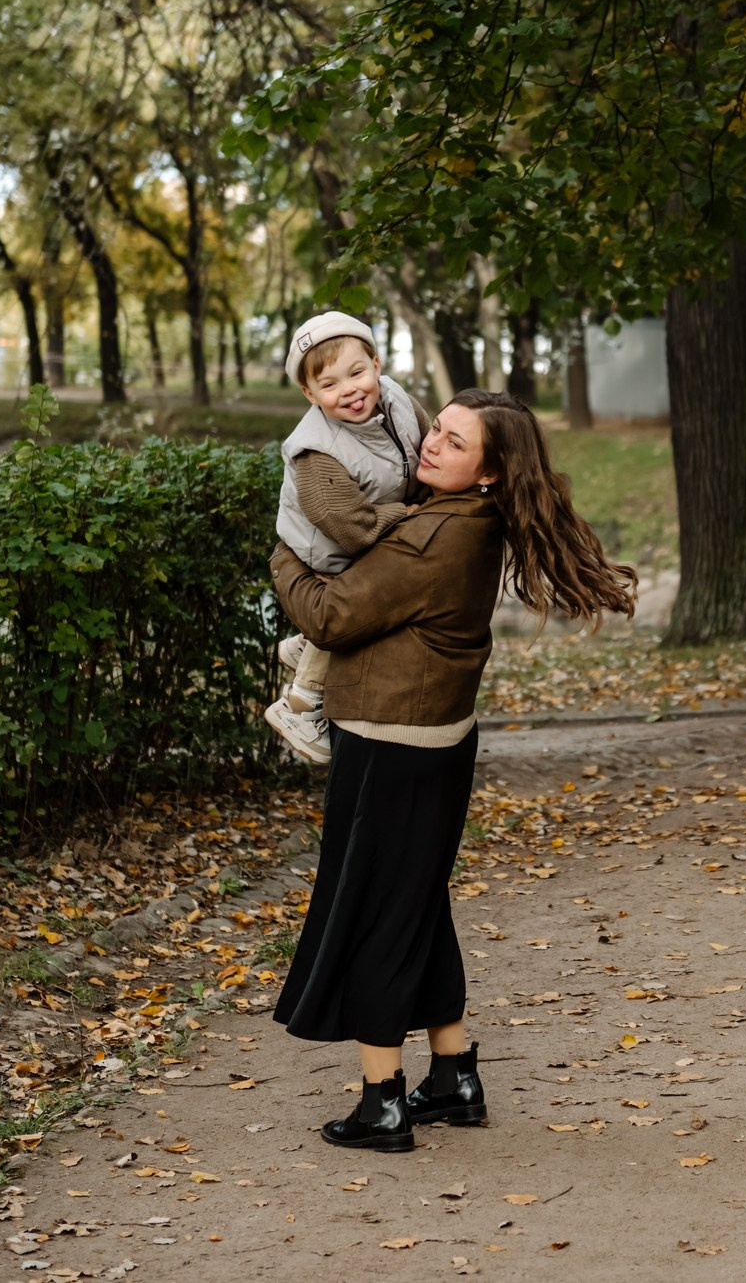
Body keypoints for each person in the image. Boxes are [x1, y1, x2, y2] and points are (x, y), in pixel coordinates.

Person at [269, 388, 637, 1152]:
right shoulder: (468, 521)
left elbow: (331, 615)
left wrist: (284, 557)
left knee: (375, 908)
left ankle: (382, 1102)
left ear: (490, 473)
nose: (432, 445)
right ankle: (452, 1075)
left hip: (390, 745)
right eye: (435, 428)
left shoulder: (435, 536)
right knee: (416, 905)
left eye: (455, 442)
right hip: (434, 740)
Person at [265, 311, 429, 764]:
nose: (350, 390)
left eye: (357, 372)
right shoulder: (317, 448)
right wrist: (403, 513)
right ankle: (301, 704)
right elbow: (347, 526)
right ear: (310, 394)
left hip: (367, 520)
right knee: (349, 604)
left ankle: (301, 646)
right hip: (329, 544)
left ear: (377, 364)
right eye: (330, 385)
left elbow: (420, 444)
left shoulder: (397, 401)